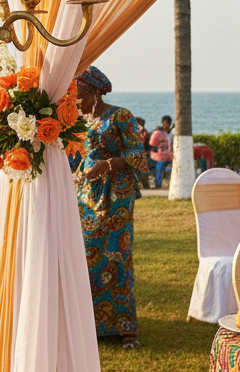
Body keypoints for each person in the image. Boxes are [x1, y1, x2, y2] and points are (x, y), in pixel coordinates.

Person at [73, 66, 148, 350]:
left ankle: (125, 326)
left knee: (114, 254)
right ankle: (89, 324)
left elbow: (136, 153)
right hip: (86, 195)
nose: (77, 103)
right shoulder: (80, 119)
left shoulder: (120, 115)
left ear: (94, 93)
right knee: (85, 256)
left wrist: (107, 165)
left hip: (116, 194)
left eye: (80, 97)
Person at [149, 115, 173, 189]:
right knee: (160, 166)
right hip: (159, 155)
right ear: (162, 123)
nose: (166, 125)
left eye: (168, 124)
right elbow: (152, 144)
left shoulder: (170, 134)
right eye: (165, 124)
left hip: (168, 155)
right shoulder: (158, 133)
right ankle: (158, 184)